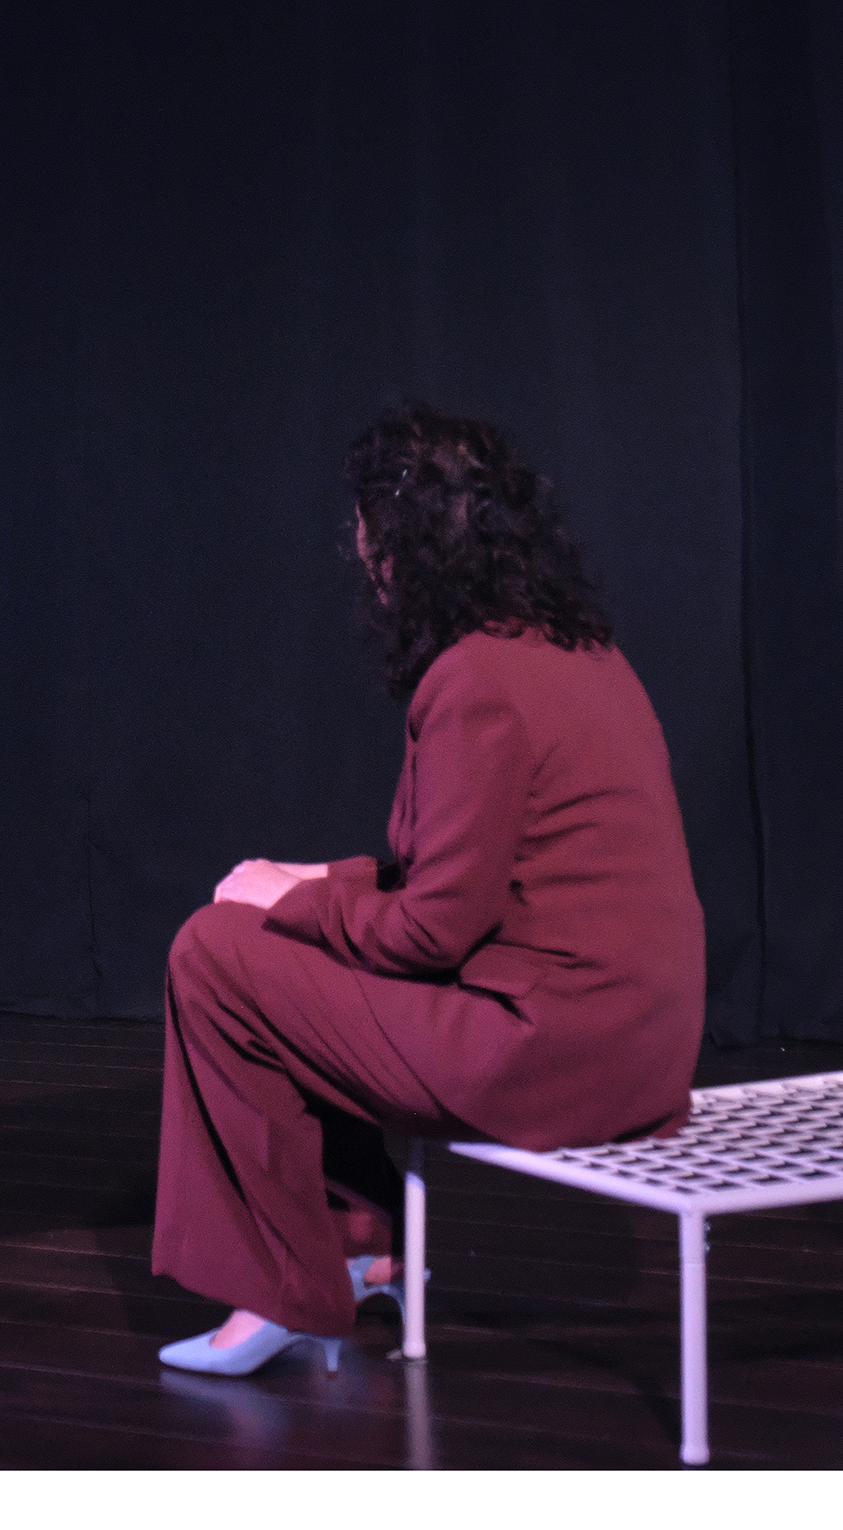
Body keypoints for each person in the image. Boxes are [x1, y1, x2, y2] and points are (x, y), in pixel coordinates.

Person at [152, 407, 705, 1375]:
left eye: (368, 535)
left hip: (548, 1053)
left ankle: (282, 1287)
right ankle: (363, 1242)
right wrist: (314, 880)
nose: (361, 556)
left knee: (212, 954)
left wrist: (290, 905)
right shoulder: (580, 650)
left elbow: (430, 931)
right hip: (640, 1054)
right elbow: (487, 871)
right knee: (282, 940)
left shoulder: (474, 679)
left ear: (403, 553)